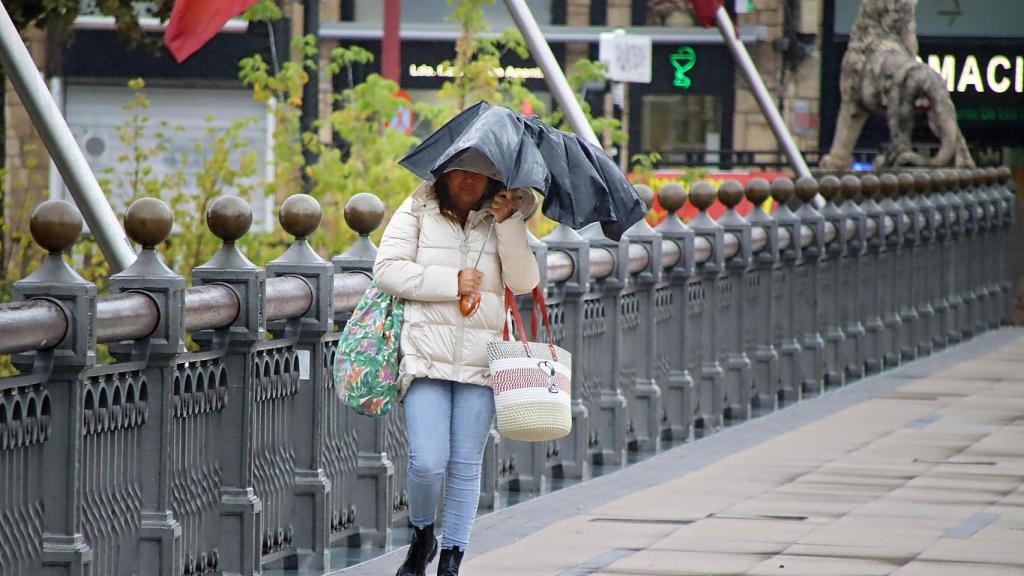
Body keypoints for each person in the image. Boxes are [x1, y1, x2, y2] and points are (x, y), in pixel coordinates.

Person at [374, 148, 540, 576]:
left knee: (466, 463)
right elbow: (386, 270)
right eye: (461, 170)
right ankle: (422, 533)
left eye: (481, 173)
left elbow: (523, 282)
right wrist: (451, 282)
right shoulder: (418, 208)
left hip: (482, 362)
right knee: (426, 461)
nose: (469, 180)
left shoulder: (505, 218)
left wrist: (509, 224)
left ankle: (452, 560)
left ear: (495, 181)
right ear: (444, 173)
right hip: (425, 357)